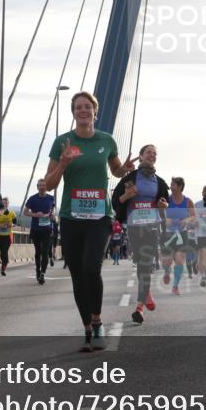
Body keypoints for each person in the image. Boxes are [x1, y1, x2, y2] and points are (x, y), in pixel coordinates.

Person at [45, 91, 136, 351]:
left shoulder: (106, 140)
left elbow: (115, 170)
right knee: (76, 275)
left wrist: (125, 168)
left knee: (90, 268)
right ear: (73, 112)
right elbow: (49, 183)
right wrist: (62, 164)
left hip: (99, 217)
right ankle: (87, 328)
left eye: (87, 107)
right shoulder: (62, 142)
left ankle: (97, 323)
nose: (83, 111)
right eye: (78, 108)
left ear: (95, 112)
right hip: (71, 217)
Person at [111, 144, 168, 324]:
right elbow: (115, 202)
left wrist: (163, 206)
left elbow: (166, 203)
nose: (151, 155)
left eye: (154, 153)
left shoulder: (159, 182)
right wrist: (126, 196)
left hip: (151, 227)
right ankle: (148, 294)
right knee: (141, 264)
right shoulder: (130, 178)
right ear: (141, 156)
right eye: (148, 152)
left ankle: (139, 307)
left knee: (145, 263)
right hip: (134, 227)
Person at [162, 177, 196, 296]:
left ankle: (175, 286)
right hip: (168, 234)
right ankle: (167, 271)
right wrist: (165, 219)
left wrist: (187, 219)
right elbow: (159, 214)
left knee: (180, 260)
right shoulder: (166, 200)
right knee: (167, 261)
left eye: (174, 185)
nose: (171, 187)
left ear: (180, 186)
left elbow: (193, 215)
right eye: (171, 185)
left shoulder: (188, 201)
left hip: (182, 234)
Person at [23, 179, 55, 284]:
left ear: (46, 187)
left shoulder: (51, 198)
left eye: (43, 185)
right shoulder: (32, 199)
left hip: (47, 229)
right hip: (36, 229)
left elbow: (52, 213)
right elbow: (25, 212)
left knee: (45, 252)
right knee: (38, 251)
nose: (42, 187)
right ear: (37, 187)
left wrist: (52, 216)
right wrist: (35, 215)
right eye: (40, 185)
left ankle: (42, 274)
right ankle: (38, 269)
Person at [0, 198, 16, 276]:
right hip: (0, 235)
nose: (5, 204)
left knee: (5, 251)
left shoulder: (12, 213)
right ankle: (4, 263)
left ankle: (3, 268)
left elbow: (15, 223)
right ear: (2, 204)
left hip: (8, 235)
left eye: (7, 203)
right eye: (4, 203)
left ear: (8, 204)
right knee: (2, 252)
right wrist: (1, 225)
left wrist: (11, 225)